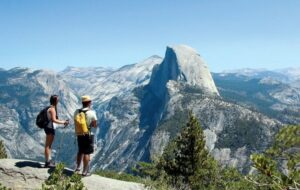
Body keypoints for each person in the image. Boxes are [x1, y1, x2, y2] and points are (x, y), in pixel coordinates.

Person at [74, 95, 97, 176]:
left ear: (82, 103)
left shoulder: (77, 111)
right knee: (87, 153)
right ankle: (85, 171)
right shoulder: (92, 113)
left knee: (80, 151)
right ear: (89, 103)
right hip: (87, 134)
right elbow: (94, 125)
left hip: (79, 134)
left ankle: (77, 168)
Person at [44, 95, 69, 167]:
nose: (58, 101)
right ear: (55, 101)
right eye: (57, 100)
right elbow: (54, 120)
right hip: (50, 128)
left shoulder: (50, 108)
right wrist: (63, 122)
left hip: (48, 127)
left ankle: (49, 160)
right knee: (48, 145)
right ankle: (48, 162)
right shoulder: (52, 109)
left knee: (48, 145)